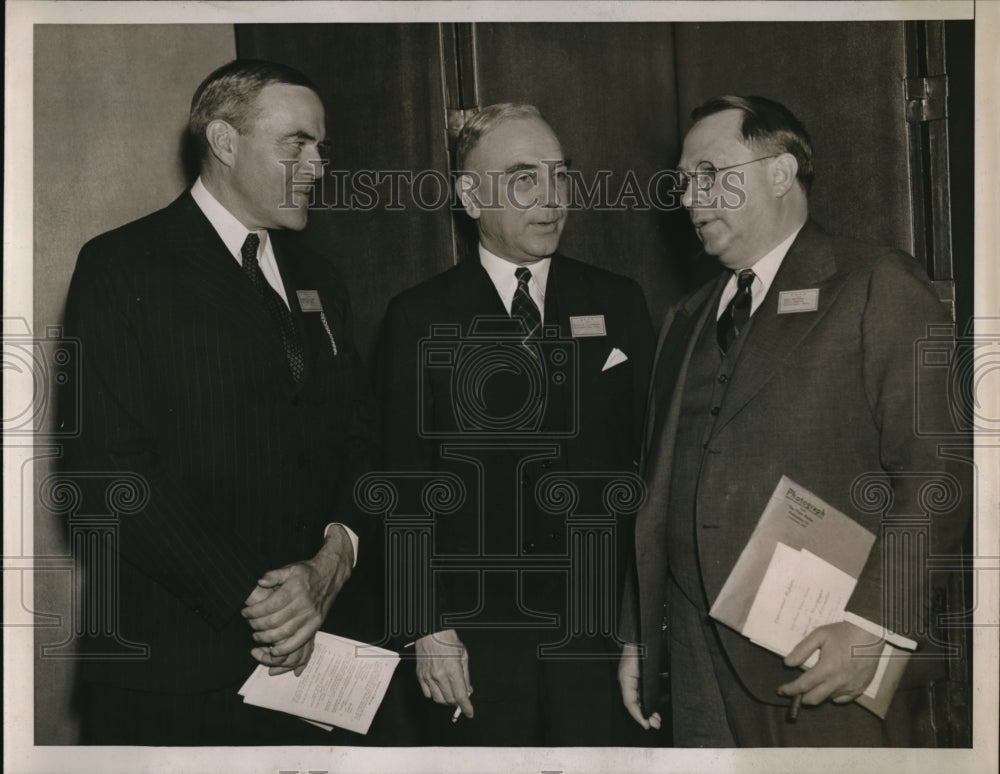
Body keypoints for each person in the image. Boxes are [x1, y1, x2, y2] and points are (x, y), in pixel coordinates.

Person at [618, 95, 969, 747]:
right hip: (694, 663)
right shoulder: (684, 318)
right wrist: (639, 634)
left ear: (780, 174)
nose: (692, 197)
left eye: (711, 173)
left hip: (824, 658)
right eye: (684, 181)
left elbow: (939, 472)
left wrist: (873, 625)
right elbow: (656, 493)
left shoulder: (875, 284)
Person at [62, 59, 379, 745]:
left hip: (313, 670)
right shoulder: (122, 266)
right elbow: (108, 474)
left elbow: (361, 438)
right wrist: (265, 601)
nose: (319, 164)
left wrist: (333, 561)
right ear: (224, 142)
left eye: (322, 147)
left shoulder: (322, 278)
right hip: (172, 674)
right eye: (296, 143)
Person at [375, 103, 654, 745]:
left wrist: (641, 625)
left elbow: (649, 463)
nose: (551, 198)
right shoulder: (418, 317)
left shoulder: (616, 301)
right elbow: (401, 481)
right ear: (471, 196)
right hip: (476, 639)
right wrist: (425, 624)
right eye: (524, 179)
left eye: (560, 176)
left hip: (599, 631)